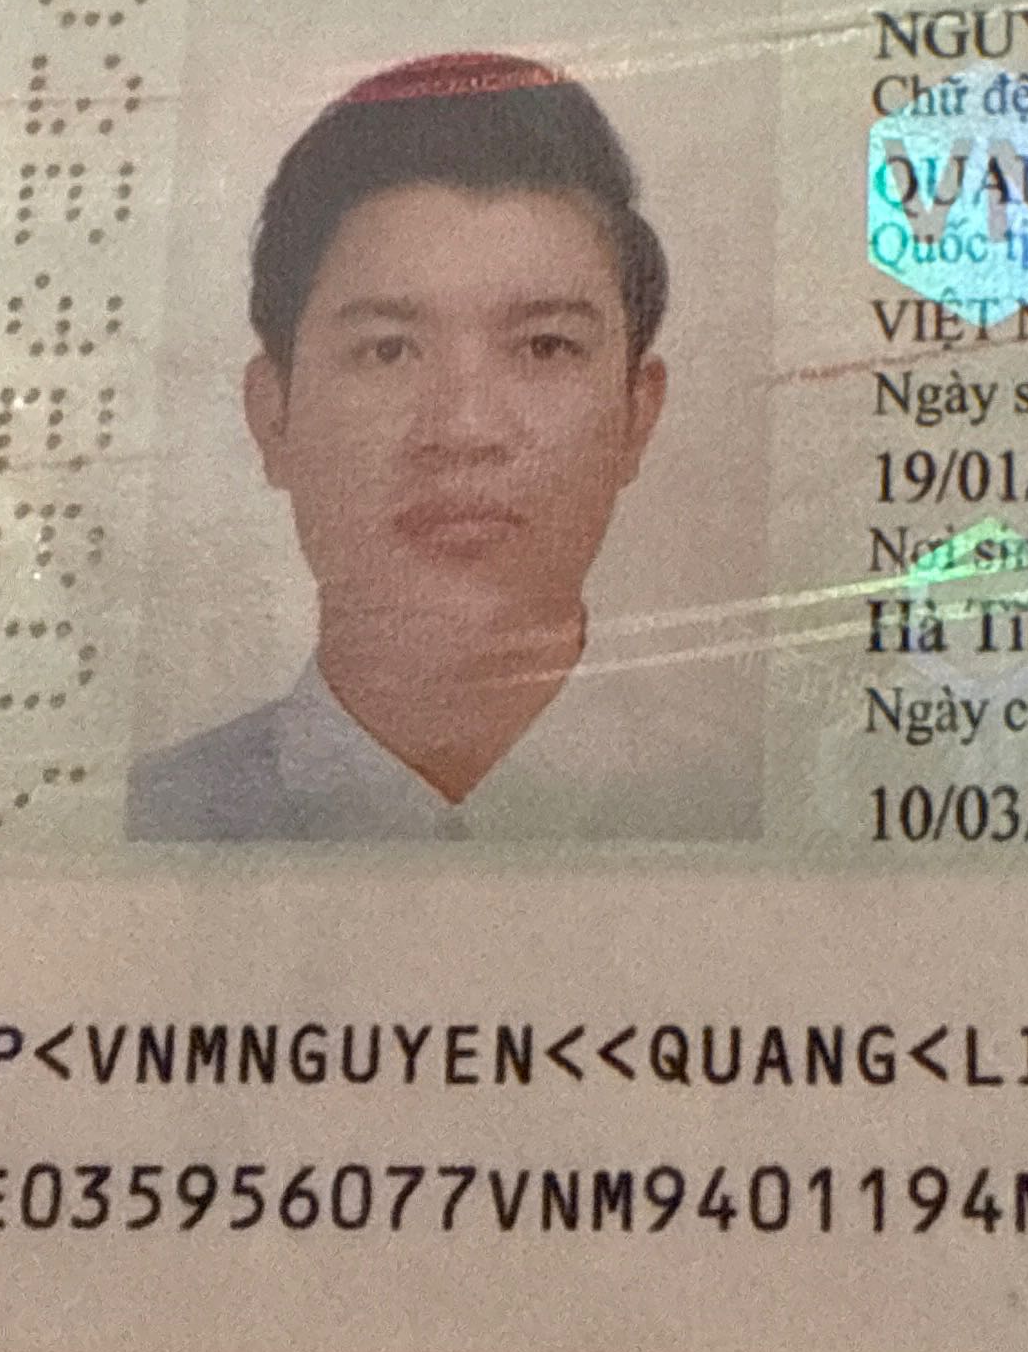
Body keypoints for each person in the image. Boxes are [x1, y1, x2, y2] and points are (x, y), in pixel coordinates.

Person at [129, 51, 704, 843]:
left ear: (637, 416)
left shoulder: (730, 794)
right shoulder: (150, 817)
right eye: (389, 351)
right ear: (274, 416)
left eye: (544, 346)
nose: (463, 430)